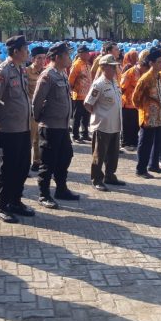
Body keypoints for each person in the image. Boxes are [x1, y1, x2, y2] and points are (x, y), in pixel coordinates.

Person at [0, 36, 35, 223]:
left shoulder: (21, 69)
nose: (27, 52)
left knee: (22, 167)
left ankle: (15, 201)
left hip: (22, 127)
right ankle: (1, 205)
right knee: (7, 169)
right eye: (25, 49)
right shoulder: (2, 71)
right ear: (16, 51)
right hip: (8, 128)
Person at [31, 42, 80, 209]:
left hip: (62, 126)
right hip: (50, 126)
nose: (70, 58)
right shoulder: (47, 75)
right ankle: (44, 194)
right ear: (57, 57)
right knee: (48, 162)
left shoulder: (62, 74)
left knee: (66, 156)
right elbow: (37, 101)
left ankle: (61, 188)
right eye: (67, 55)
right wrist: (39, 119)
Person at [84, 54, 124, 191]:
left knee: (113, 153)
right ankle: (96, 178)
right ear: (103, 67)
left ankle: (110, 175)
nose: (115, 69)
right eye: (112, 67)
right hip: (102, 125)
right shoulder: (99, 84)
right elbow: (88, 104)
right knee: (99, 154)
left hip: (115, 124)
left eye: (115, 67)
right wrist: (99, 115)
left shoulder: (114, 82)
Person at [132, 48, 161, 179]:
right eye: (159, 62)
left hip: (159, 116)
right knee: (145, 143)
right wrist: (145, 109)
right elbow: (135, 98)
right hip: (148, 116)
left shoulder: (160, 77)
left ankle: (154, 165)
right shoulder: (145, 78)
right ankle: (141, 169)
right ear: (151, 63)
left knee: (157, 142)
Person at [119, 50, 148, 152]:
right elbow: (122, 88)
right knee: (127, 125)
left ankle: (134, 142)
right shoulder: (130, 72)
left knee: (136, 125)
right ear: (141, 65)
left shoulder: (143, 74)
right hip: (127, 103)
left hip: (138, 105)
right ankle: (126, 143)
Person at [26, 46, 47, 171]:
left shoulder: (45, 72)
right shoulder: (27, 72)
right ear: (33, 59)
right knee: (30, 137)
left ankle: (37, 161)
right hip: (30, 110)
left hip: (43, 110)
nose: (41, 61)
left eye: (44, 58)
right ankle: (25, 163)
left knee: (40, 137)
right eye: (39, 58)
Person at [68, 45, 92, 143]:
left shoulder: (88, 64)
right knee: (77, 116)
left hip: (87, 95)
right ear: (80, 54)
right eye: (86, 53)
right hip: (78, 95)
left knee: (86, 116)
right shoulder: (77, 64)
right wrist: (73, 90)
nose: (88, 54)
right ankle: (75, 135)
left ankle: (85, 134)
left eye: (88, 53)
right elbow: (71, 80)